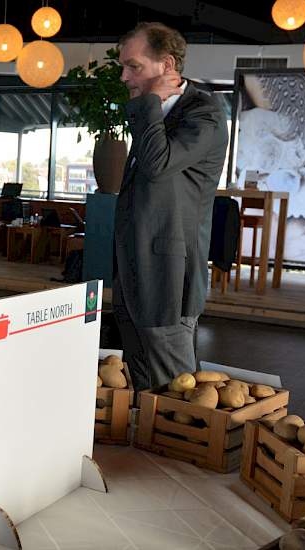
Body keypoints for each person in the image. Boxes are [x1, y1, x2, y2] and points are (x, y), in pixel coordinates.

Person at [113, 22, 229, 391]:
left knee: (176, 397)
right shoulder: (156, 112)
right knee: (142, 386)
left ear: (166, 65)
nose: (123, 76)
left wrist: (147, 105)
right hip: (134, 272)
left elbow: (156, 165)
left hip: (168, 278)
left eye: (133, 66)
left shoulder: (203, 114)